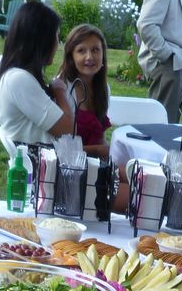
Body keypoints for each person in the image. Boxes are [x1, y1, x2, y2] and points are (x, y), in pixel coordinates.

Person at [55, 22, 129, 212]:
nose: (90, 57)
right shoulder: (64, 89)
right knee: (137, 197)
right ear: (71, 56)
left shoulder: (102, 88)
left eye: (95, 50)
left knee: (142, 179)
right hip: (69, 173)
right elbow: (59, 151)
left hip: (94, 163)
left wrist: (104, 154)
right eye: (81, 51)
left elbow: (100, 135)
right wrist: (100, 150)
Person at [0, 1, 72, 147]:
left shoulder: (11, 69)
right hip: (37, 164)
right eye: (56, 36)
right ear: (42, 40)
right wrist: (59, 90)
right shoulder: (19, 80)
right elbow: (67, 130)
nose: (58, 43)